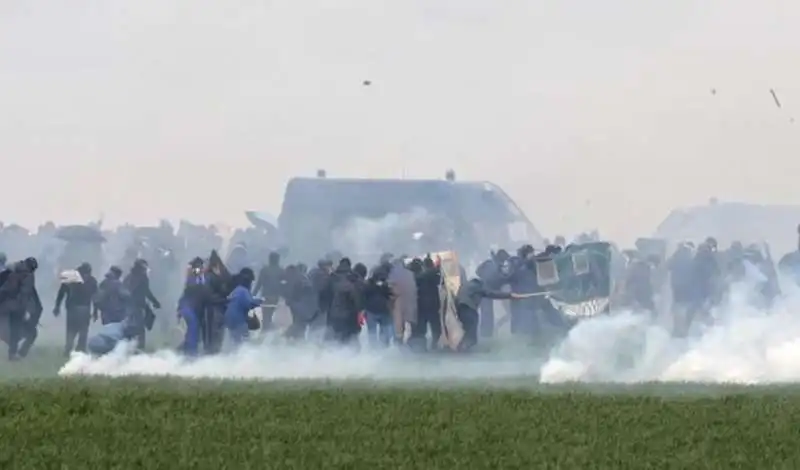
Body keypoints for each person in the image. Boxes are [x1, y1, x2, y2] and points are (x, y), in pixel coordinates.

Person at [455, 277, 523, 351]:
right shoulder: (477, 286)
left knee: (468, 333)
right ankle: (462, 351)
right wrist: (510, 295)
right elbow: (491, 293)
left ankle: (461, 349)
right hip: (469, 310)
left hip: (460, 310)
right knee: (471, 337)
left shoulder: (465, 286)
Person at [54, 262, 98, 356]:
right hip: (81, 308)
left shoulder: (71, 279)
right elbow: (95, 298)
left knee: (74, 330)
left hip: (75, 308)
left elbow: (61, 293)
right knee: (80, 330)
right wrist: (95, 311)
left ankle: (72, 349)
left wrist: (57, 307)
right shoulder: (91, 281)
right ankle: (76, 349)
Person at [224, 268, 263, 348]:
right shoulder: (243, 291)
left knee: (235, 339)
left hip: (230, 318)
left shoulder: (236, 290)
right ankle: (241, 353)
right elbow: (248, 303)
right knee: (243, 341)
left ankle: (232, 352)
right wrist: (259, 302)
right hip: (238, 319)